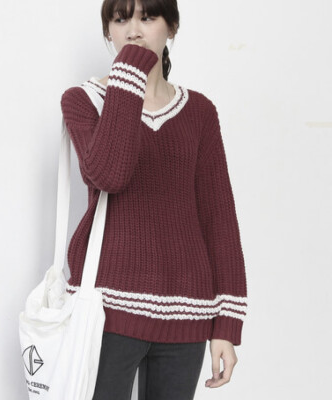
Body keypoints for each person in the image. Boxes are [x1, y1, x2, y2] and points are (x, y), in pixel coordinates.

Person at [60, 0, 248, 399]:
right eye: (120, 19)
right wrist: (129, 73)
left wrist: (227, 323)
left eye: (147, 17)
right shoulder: (84, 101)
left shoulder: (200, 112)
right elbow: (109, 175)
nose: (133, 30)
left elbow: (218, 217)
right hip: (105, 312)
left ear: (172, 27)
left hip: (188, 314)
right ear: (107, 30)